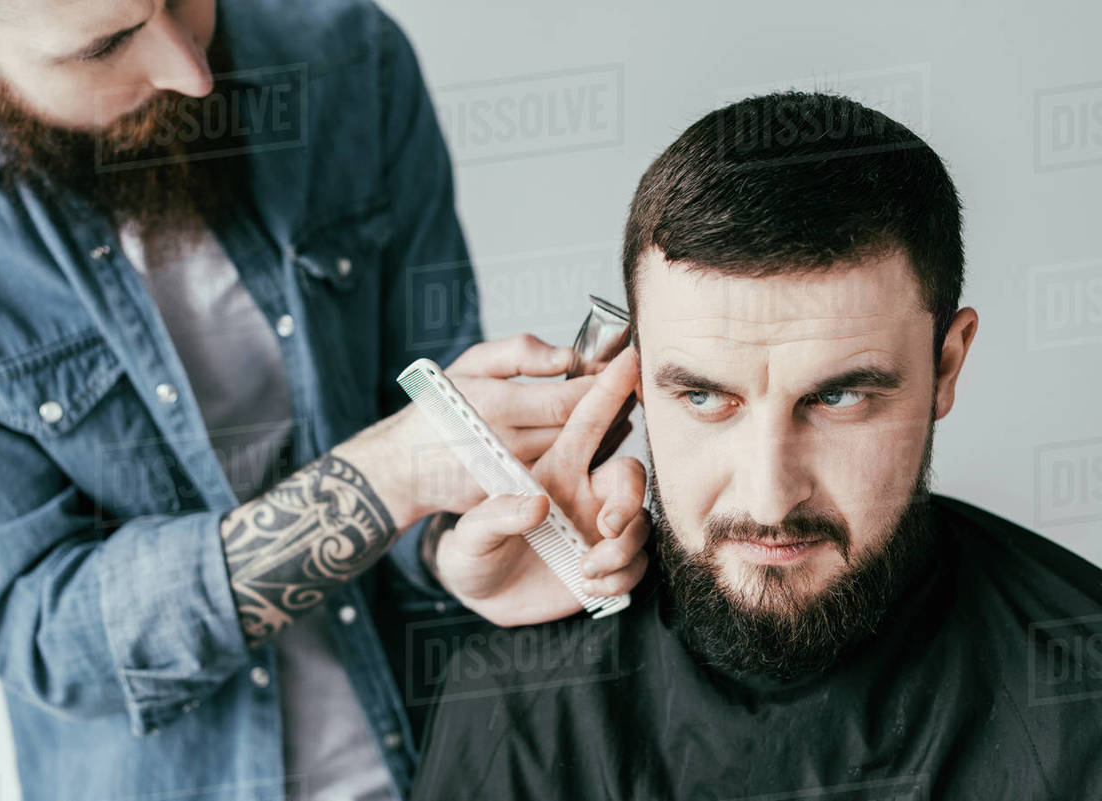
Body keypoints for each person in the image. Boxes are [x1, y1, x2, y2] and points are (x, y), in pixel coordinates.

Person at [0, 1, 650, 800]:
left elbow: (429, 412)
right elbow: (47, 631)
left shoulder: (347, 56)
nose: (191, 72)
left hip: (446, 760)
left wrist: (461, 551)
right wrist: (384, 476)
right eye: (110, 43)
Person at [411, 92, 1102, 800]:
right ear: (636, 380)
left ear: (945, 368)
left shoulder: (1082, 705)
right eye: (705, 396)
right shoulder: (519, 702)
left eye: (838, 397)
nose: (769, 496)